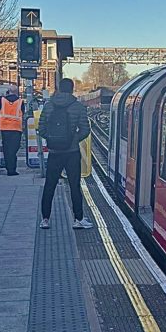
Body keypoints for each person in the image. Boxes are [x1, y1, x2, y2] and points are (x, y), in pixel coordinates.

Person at [38, 77, 93, 229]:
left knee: (49, 185)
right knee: (74, 186)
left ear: (59, 88)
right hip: (72, 152)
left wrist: (51, 139)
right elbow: (85, 130)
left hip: (54, 152)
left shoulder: (48, 106)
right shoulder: (78, 106)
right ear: (72, 89)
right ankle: (78, 219)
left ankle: (45, 220)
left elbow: (41, 128)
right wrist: (73, 140)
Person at [0, 83, 25, 176]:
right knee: (14, 150)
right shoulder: (20, 102)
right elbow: (23, 112)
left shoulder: (2, 100)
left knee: (6, 150)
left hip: (5, 128)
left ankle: (9, 169)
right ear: (17, 92)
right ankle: (12, 169)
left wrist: (4, 95)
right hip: (16, 129)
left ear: (8, 92)